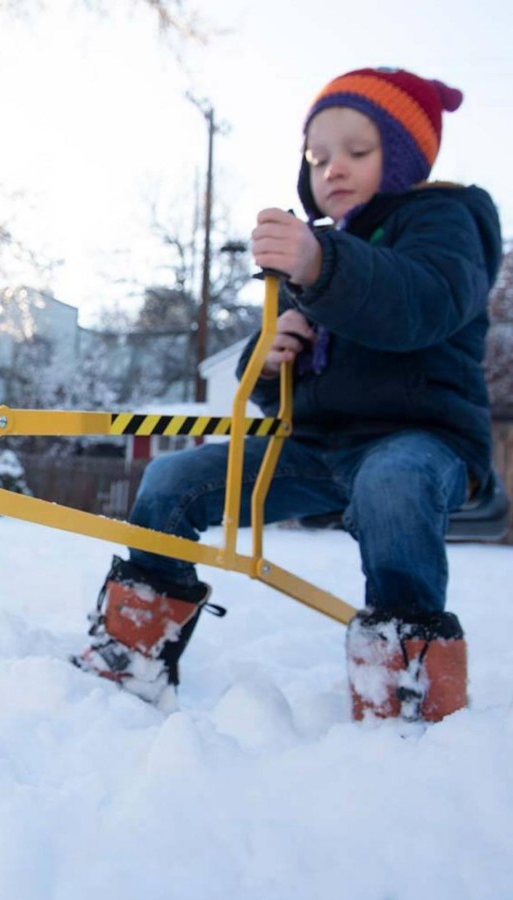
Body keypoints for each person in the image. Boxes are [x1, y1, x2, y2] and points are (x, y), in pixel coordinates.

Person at [75, 67, 503, 722]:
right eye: (318, 156)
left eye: (358, 151)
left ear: (405, 155)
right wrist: (272, 360)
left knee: (392, 487)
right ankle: (135, 649)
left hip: (419, 439)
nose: (333, 168)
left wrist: (318, 266)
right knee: (171, 481)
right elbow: (279, 391)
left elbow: (420, 301)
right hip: (312, 448)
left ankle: (406, 689)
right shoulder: (324, 249)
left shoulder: (447, 220)